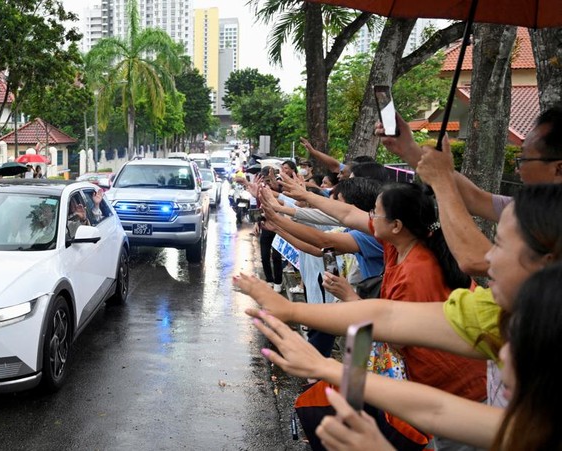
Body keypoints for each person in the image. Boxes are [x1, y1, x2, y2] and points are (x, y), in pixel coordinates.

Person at [237, 183, 562, 409]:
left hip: (450, 391)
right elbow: (347, 214)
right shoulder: (396, 244)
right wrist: (292, 205)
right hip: (430, 390)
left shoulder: (418, 272)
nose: (369, 218)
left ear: (397, 225)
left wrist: (313, 319)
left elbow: (387, 323)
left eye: (376, 213)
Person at [254, 262, 562, 450]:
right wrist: (325, 366)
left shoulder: (417, 271)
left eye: (519, 341)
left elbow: (393, 327)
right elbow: (436, 409)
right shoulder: (529, 426)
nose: (498, 354)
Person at [382, 105, 562, 276]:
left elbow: (476, 260)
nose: (517, 169)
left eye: (523, 160)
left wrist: (441, 181)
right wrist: (408, 149)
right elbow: (475, 199)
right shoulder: (534, 208)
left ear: (558, 169)